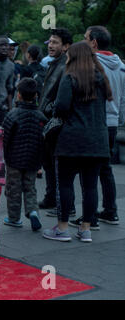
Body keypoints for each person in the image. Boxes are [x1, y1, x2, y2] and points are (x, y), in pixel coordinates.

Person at [43, 41, 113, 242]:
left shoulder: (70, 78)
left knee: (65, 184)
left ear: (74, 58)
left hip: (72, 140)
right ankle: (86, 229)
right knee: (90, 187)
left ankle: (63, 228)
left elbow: (61, 108)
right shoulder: (101, 79)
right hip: (98, 141)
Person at [69, 26, 124, 228]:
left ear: (94, 43)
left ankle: (88, 216)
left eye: (85, 38)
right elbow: (124, 101)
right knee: (105, 169)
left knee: (89, 172)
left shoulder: (92, 64)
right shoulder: (121, 66)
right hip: (111, 123)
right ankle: (111, 211)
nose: (83, 42)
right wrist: (117, 120)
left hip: (94, 122)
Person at [2, 78, 47, 231]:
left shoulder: (12, 115)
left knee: (13, 188)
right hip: (33, 160)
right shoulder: (41, 117)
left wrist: (5, 157)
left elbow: (5, 138)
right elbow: (43, 140)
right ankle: (33, 211)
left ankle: (14, 218)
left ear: (18, 95)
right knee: (30, 187)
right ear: (36, 96)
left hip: (14, 160)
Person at [38, 28, 73, 215]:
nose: (51, 45)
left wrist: (47, 111)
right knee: (49, 163)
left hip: (55, 121)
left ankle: (61, 202)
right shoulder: (54, 64)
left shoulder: (65, 65)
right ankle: (51, 197)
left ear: (66, 46)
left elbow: (58, 96)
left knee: (56, 164)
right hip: (47, 119)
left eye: (55, 42)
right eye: (50, 42)